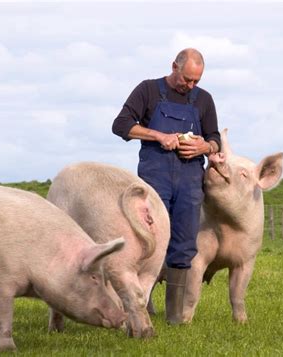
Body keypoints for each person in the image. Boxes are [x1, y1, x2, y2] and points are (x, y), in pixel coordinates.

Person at [112, 48, 220, 324]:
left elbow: (214, 138)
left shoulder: (203, 99)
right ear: (174, 66)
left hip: (190, 180)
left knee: (183, 245)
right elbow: (121, 125)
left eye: (196, 80)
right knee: (148, 241)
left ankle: (174, 316)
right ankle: (141, 307)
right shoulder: (148, 91)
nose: (191, 85)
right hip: (154, 177)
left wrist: (204, 146)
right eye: (187, 79)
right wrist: (158, 135)